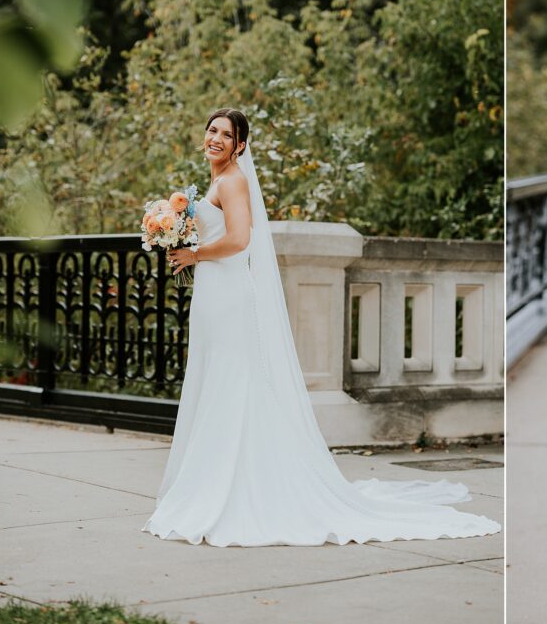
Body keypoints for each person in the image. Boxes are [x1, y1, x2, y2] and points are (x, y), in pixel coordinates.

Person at [142, 107, 500, 546]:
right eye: (211, 129)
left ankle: (233, 491)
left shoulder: (233, 181)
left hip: (231, 296)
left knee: (233, 386)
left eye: (226, 134)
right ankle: (214, 481)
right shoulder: (215, 182)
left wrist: (193, 255)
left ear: (240, 145)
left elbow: (240, 240)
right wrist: (169, 230)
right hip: (213, 297)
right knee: (217, 382)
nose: (215, 138)